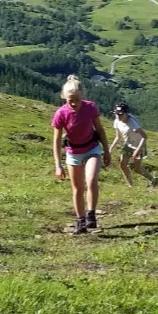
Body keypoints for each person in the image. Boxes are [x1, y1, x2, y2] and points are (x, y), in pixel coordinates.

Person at [51, 76, 112, 232]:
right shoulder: (61, 114)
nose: (74, 103)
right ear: (64, 97)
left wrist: (106, 151)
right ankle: (81, 220)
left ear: (82, 96)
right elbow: (57, 141)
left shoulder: (90, 108)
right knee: (77, 188)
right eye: (70, 100)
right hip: (73, 153)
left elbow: (100, 130)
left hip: (92, 148)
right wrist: (58, 165)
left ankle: (91, 214)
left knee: (91, 180)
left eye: (77, 99)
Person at [110, 101, 157, 187]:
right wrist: (110, 149)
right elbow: (118, 137)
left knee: (137, 169)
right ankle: (131, 185)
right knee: (122, 164)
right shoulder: (117, 121)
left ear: (126, 113)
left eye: (120, 114)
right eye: (117, 114)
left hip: (139, 146)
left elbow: (144, 136)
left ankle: (153, 180)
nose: (118, 116)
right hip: (128, 145)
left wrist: (137, 150)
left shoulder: (132, 123)